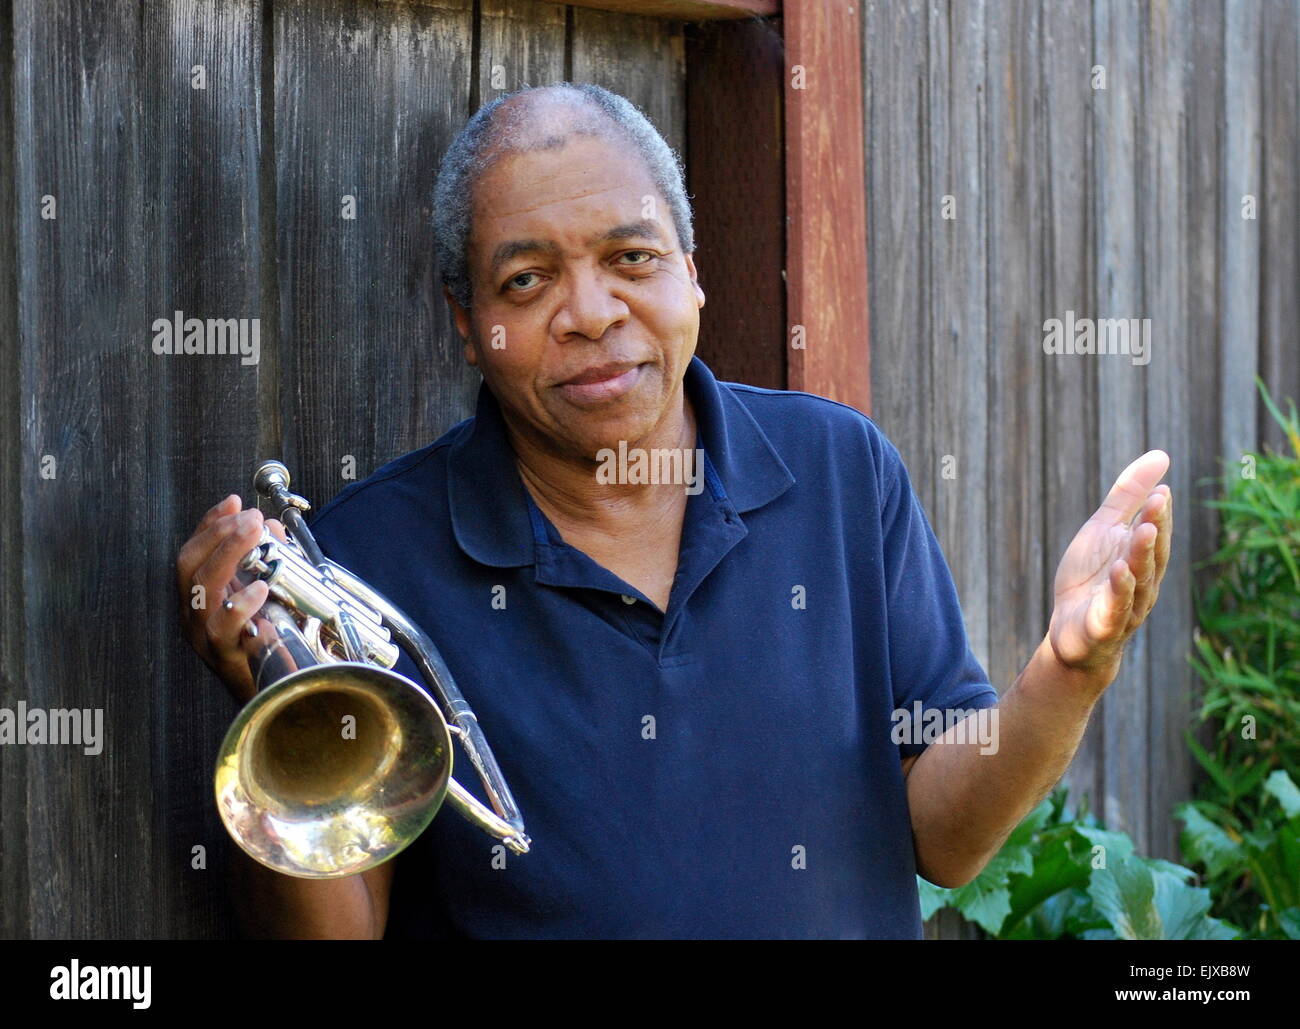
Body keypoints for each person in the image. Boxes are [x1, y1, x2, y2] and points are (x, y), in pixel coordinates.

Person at [175, 83, 1173, 939]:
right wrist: (273, 691)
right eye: (527, 280)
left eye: (631, 258)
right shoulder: (367, 563)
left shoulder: (838, 469)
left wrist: (1068, 671)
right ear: (469, 325)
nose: (591, 313)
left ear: (692, 273)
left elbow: (947, 841)